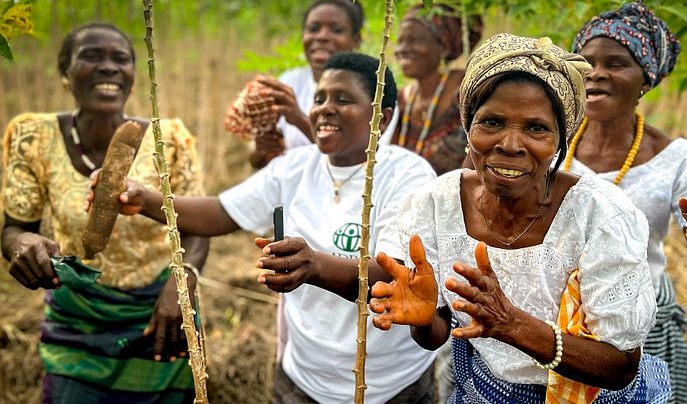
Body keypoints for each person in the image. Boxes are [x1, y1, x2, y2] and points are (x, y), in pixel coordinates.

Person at [93, 53, 438, 403]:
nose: (324, 109)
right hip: (302, 379)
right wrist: (146, 200)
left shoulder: (409, 175)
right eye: (319, 99)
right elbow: (219, 213)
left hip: (388, 385)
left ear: (384, 116)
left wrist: (314, 266)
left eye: (344, 99)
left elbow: (396, 278)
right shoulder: (295, 167)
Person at [368, 33, 673, 402]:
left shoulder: (600, 216)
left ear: (561, 140)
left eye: (536, 128)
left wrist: (512, 324)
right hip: (480, 391)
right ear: (468, 128)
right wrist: (424, 321)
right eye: (492, 122)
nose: (511, 145)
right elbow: (436, 333)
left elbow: (620, 366)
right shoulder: (435, 205)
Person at [1, 23, 208, 403]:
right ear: (65, 73)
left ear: (133, 74)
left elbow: (197, 229)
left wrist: (182, 287)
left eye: (121, 59)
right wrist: (22, 242)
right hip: (76, 316)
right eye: (92, 56)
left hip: (160, 316)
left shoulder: (169, 139)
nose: (109, 67)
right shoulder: (34, 137)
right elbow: (15, 229)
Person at [568, 0, 687, 403]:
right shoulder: (549, 141)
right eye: (586, 62)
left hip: (638, 327)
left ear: (646, 79)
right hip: (554, 325)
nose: (596, 73)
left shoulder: (677, 159)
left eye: (615, 63)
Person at [245, 0, 364, 169]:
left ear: (356, 40)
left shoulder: (372, 90)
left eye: (336, 30)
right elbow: (259, 162)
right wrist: (264, 148)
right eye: (313, 28)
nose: (322, 36)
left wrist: (299, 119)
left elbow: (361, 160)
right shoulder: (290, 81)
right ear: (303, 36)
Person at [391, 4, 482, 175]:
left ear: (444, 46)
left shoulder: (466, 90)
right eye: (400, 41)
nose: (401, 50)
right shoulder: (401, 99)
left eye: (414, 40)